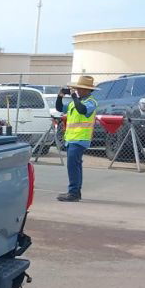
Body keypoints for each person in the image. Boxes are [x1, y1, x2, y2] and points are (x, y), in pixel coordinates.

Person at [55, 74, 98, 202]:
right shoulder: (75, 103)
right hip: (72, 139)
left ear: (87, 90)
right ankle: (75, 192)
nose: (77, 90)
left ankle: (73, 193)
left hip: (80, 139)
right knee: (76, 166)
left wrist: (74, 96)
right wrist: (60, 95)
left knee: (73, 166)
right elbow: (59, 108)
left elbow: (82, 110)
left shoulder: (91, 102)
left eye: (80, 89)